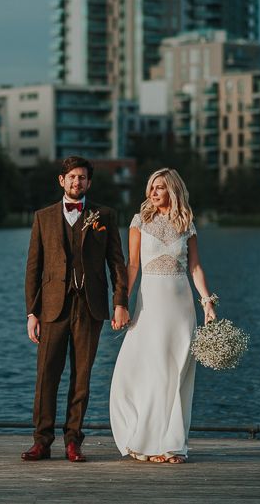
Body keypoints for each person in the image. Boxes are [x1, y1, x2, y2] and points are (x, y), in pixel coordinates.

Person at [22, 156, 130, 463]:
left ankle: (73, 441)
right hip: (52, 309)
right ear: (61, 180)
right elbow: (33, 267)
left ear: (89, 183)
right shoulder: (43, 217)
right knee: (46, 377)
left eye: (82, 178)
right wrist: (32, 312)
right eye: (71, 177)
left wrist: (119, 302)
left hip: (90, 307)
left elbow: (117, 264)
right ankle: (41, 441)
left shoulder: (104, 215)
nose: (76, 182)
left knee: (81, 378)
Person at [110, 168, 216, 464]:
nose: (153, 193)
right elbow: (133, 267)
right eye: (151, 188)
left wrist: (207, 302)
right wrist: (121, 303)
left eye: (159, 188)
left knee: (178, 373)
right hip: (150, 306)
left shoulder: (187, 223)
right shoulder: (139, 222)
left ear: (173, 190)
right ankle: (150, 442)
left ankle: (173, 445)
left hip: (181, 308)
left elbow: (195, 268)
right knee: (155, 371)